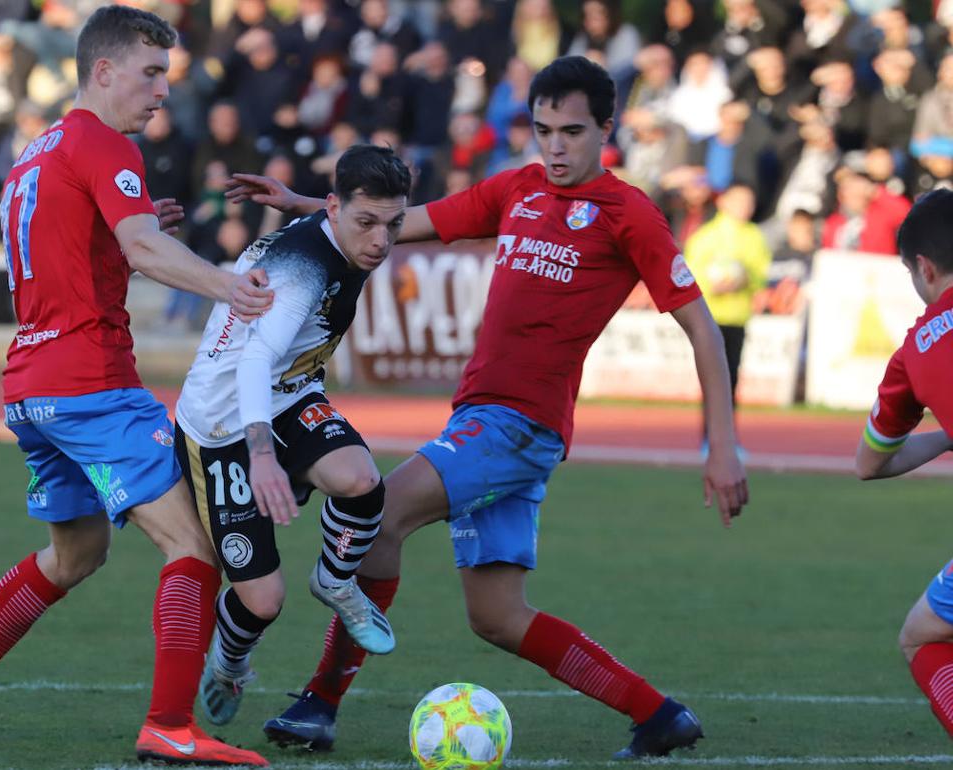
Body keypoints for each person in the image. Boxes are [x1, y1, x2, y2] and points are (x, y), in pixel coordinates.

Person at [227, 55, 749, 759]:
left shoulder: (630, 215)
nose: (555, 147)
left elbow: (703, 328)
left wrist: (721, 446)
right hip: (487, 423)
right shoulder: (520, 189)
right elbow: (413, 221)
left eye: (571, 131)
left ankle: (319, 704)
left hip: (515, 427)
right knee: (497, 617)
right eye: (543, 130)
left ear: (606, 129)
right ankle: (658, 715)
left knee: (376, 517)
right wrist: (307, 205)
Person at [0, 7, 273, 766]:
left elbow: (87, 243)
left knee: (74, 554)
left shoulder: (36, 153)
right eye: (151, 73)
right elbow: (141, 246)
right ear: (102, 71)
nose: (162, 91)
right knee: (193, 544)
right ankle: (171, 724)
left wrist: (130, 231)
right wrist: (229, 286)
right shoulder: (107, 144)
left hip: (30, 385)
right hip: (90, 383)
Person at [174, 145, 411, 727]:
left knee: (361, 480)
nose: (381, 240)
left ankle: (335, 583)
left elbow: (353, 213)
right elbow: (255, 361)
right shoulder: (303, 267)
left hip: (290, 395)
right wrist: (260, 457)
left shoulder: (336, 228)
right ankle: (229, 662)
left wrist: (299, 202)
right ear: (334, 210)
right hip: (226, 421)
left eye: (394, 224)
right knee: (263, 600)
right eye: (367, 223)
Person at [854, 188, 953, 739]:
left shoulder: (916, 349)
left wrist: (941, 439)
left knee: (923, 636)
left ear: (923, 266)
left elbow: (870, 463)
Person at [684, 183, 772, 446]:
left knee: (731, 379)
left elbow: (760, 273)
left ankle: (725, 438)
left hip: (738, 317)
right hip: (709, 319)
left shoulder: (754, 235)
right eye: (740, 201)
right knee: (713, 380)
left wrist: (745, 279)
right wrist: (714, 285)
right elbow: (692, 273)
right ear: (724, 202)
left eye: (750, 202)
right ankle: (710, 438)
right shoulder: (706, 236)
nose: (746, 208)